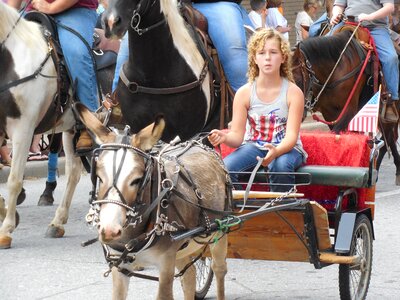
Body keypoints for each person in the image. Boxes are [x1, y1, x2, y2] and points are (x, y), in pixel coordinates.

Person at [208, 28, 307, 193]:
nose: (267, 58)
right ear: (254, 58)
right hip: (253, 146)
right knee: (226, 168)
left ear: (283, 57)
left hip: (287, 148)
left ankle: (285, 211)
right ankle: (244, 211)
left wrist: (276, 152)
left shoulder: (293, 92)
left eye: (273, 52)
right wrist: (224, 137)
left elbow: (291, 137)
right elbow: (237, 138)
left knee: (280, 165)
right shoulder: (244, 93)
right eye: (261, 53)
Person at [8, 0, 100, 151]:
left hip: (75, 9)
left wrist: (51, 7)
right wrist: (8, 18)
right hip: (35, 8)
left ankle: (89, 123)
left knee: (76, 53)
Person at [330, 0, 399, 123]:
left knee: (391, 58)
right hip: (348, 24)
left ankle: (391, 100)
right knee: (321, 48)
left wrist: (369, 17)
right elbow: (339, 5)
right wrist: (336, 15)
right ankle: (316, 92)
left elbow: (389, 7)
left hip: (375, 28)